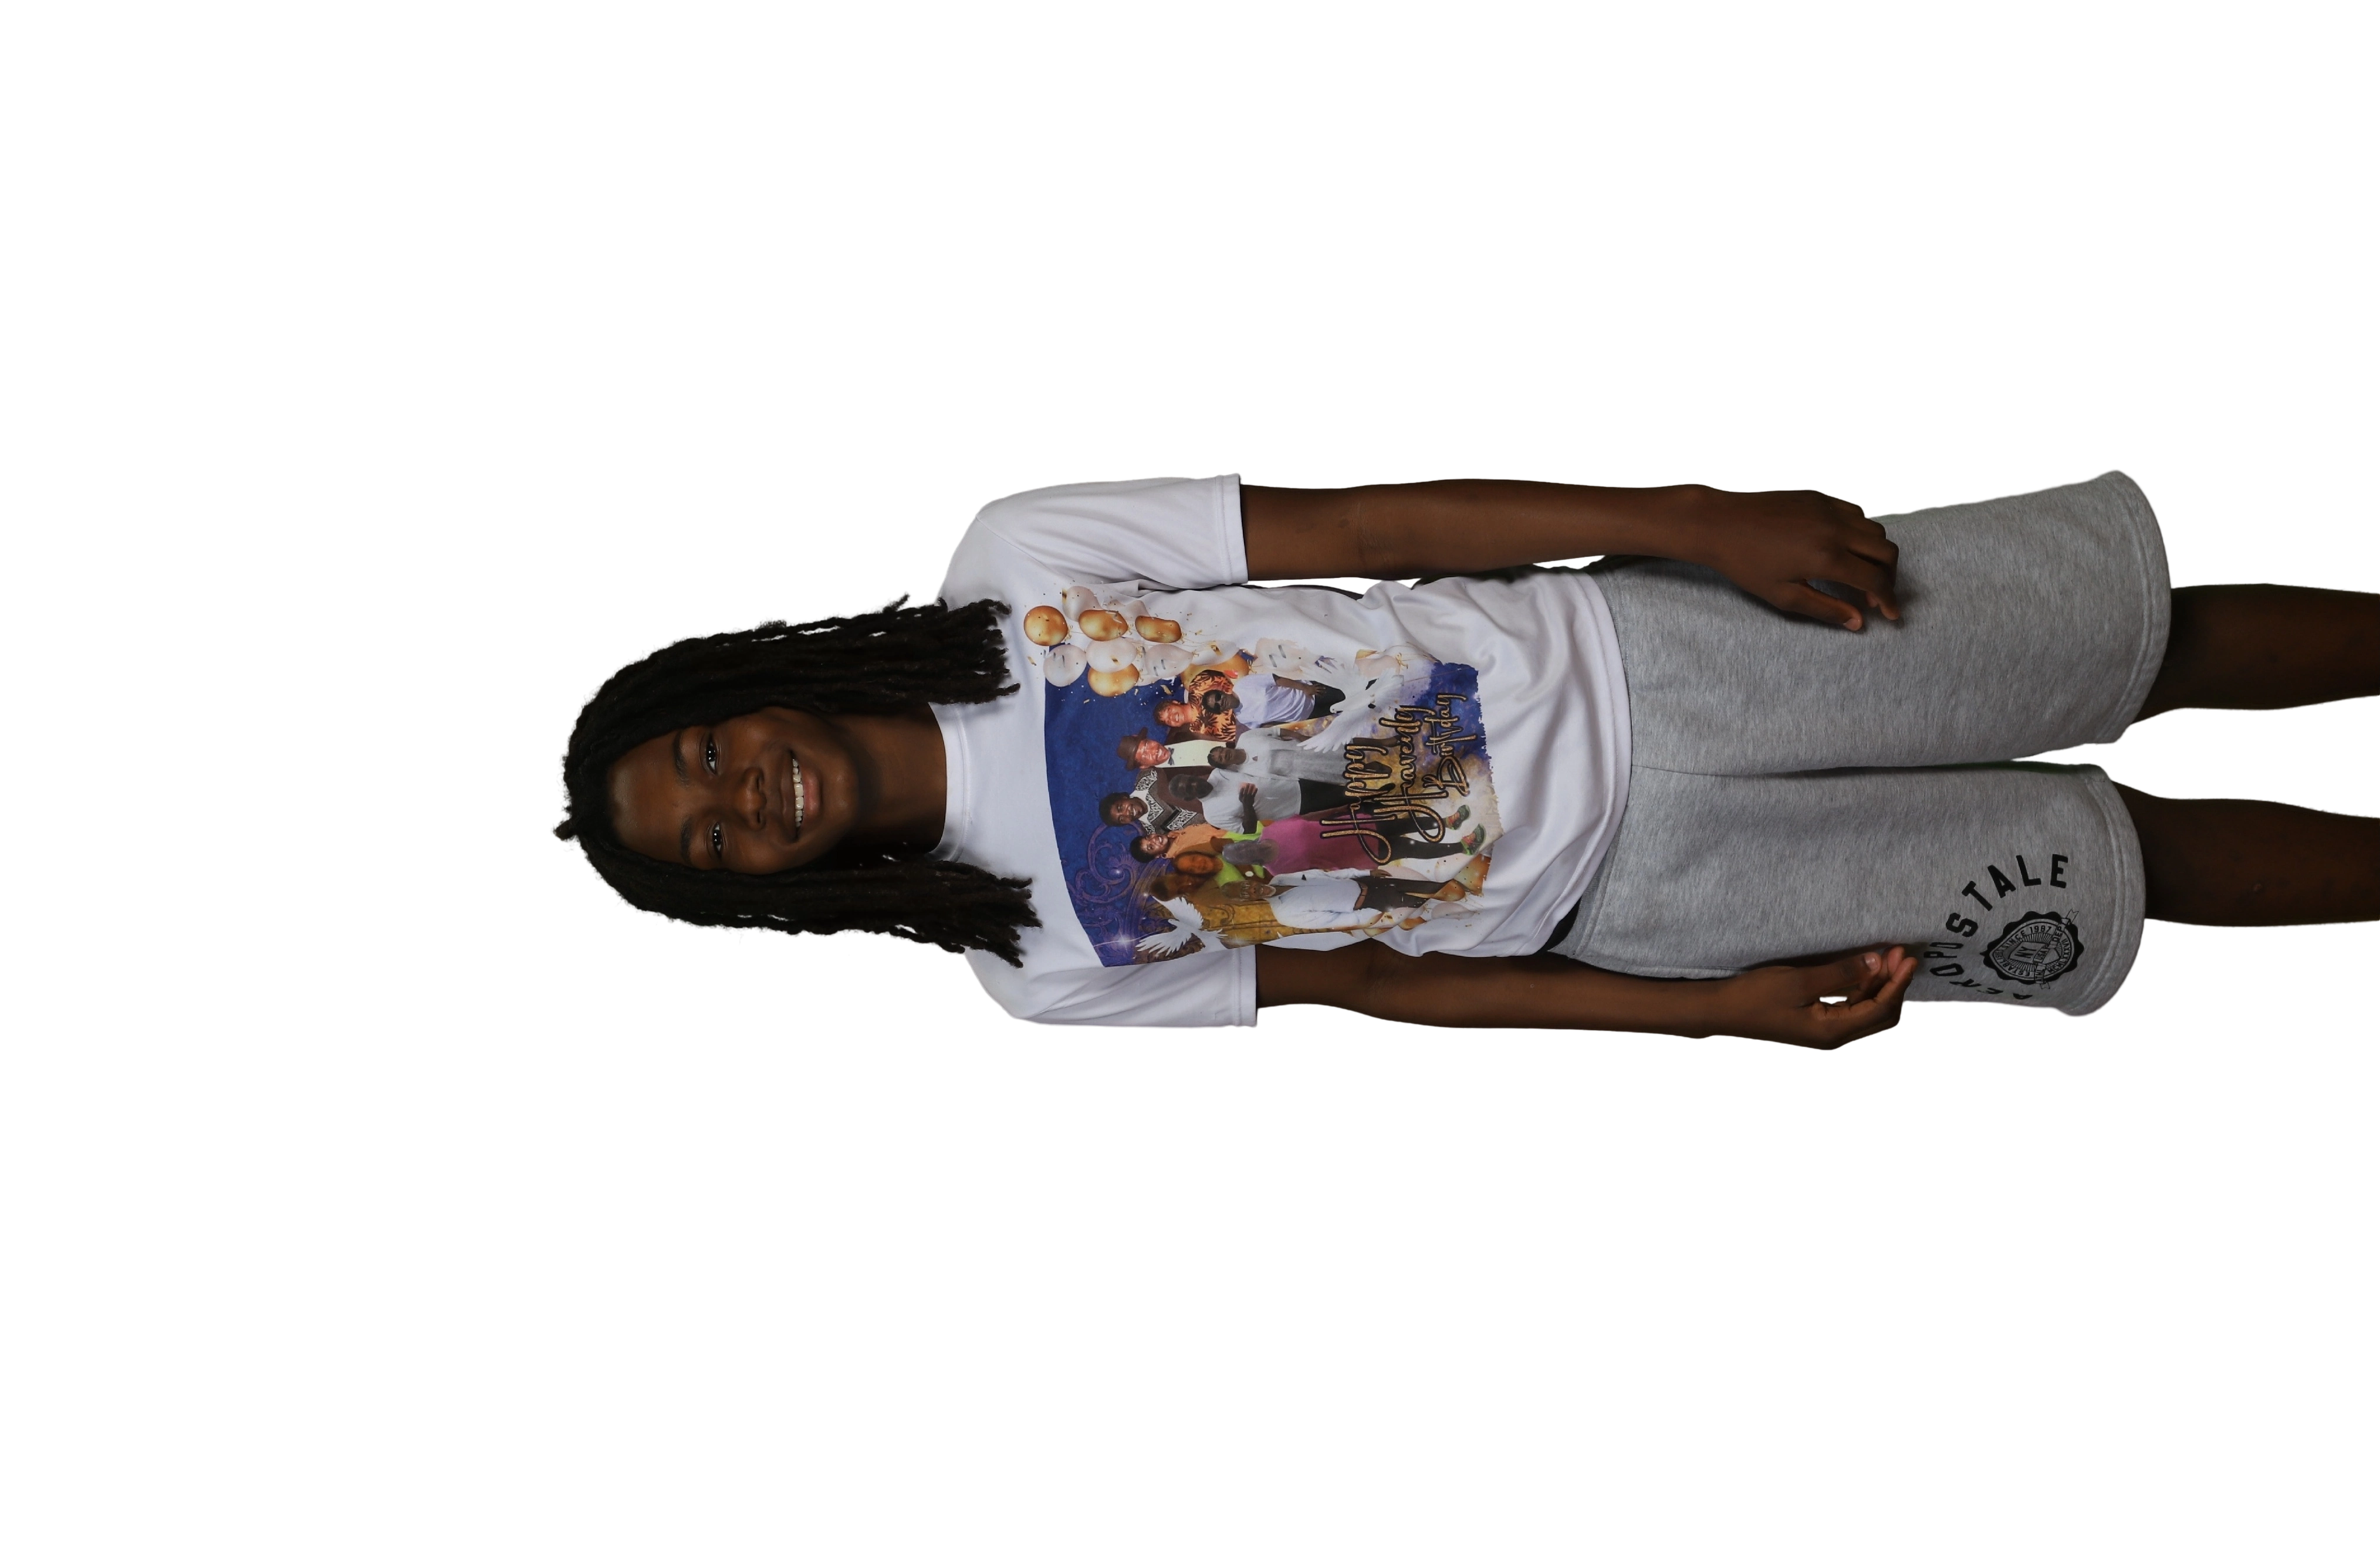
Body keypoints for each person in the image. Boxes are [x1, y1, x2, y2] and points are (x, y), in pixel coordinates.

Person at [554, 470, 2380, 1050]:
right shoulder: (1037, 965)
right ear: (756, 894)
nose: (741, 796)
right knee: (2128, 870)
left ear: (743, 680)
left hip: (1655, 657)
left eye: (704, 749)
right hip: (1649, 897)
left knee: (2140, 642)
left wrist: (1692, 521)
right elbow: (1380, 985)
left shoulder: (1019, 566)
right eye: (709, 841)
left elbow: (1372, 523)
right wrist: (1706, 1015)